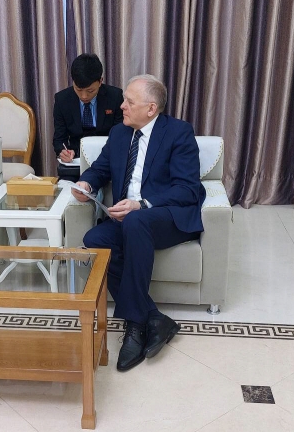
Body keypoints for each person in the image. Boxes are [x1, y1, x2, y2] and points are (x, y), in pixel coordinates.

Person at [71, 74, 205, 371]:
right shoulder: (120, 134)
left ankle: (134, 325)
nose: (122, 106)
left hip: (167, 215)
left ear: (151, 108)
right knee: (95, 240)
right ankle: (153, 318)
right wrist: (86, 185)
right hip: (129, 219)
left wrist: (141, 204)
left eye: (129, 101)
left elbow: (187, 189)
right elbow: (100, 169)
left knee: (136, 223)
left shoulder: (179, 133)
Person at [52, 53, 123, 182]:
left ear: (100, 81)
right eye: (79, 90)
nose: (84, 96)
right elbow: (59, 139)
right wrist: (63, 151)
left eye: (90, 91)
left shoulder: (115, 96)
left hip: (106, 159)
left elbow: (120, 135)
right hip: (76, 162)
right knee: (66, 190)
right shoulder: (62, 99)